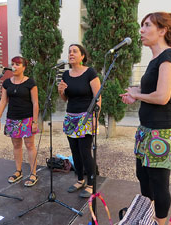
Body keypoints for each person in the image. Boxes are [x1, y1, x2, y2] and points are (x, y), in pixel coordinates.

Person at [120, 12, 171, 225]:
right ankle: (147, 215)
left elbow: (162, 96)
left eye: (147, 25)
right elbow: (150, 89)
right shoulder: (155, 59)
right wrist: (134, 91)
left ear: (162, 30)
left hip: (163, 131)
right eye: (142, 25)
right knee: (143, 176)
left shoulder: (169, 56)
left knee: (159, 182)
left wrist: (137, 95)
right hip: (147, 129)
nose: (141, 30)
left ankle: (160, 221)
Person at [58, 44, 101, 198]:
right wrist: (61, 91)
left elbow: (97, 97)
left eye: (75, 51)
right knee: (74, 150)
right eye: (69, 51)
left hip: (86, 117)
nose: (71, 54)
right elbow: (65, 98)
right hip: (71, 116)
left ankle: (91, 183)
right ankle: (80, 179)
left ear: (82, 56)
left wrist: (95, 118)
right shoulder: (66, 75)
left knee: (84, 151)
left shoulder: (90, 72)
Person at [0, 56, 39, 187]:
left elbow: (35, 102)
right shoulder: (7, 83)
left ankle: (33, 173)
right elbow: (3, 101)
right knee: (16, 146)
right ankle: (18, 171)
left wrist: (35, 121)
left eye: (17, 64)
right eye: (13, 64)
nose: (14, 66)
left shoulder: (30, 82)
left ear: (24, 67)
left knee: (30, 146)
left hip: (27, 118)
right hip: (12, 118)